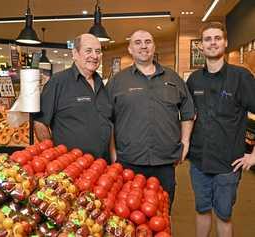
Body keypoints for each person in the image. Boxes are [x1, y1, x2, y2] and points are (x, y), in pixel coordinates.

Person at [107, 29, 195, 206]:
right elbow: (107, 119)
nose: (143, 46)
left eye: (148, 41)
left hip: (165, 163)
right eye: (137, 42)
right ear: (130, 49)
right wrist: (113, 153)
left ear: (154, 47)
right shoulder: (117, 81)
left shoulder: (173, 78)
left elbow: (188, 112)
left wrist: (185, 142)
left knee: (162, 213)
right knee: (129, 218)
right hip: (129, 162)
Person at [186, 22, 255, 237]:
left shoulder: (241, 77)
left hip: (228, 164)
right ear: (201, 46)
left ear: (225, 42)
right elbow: (188, 116)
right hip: (199, 161)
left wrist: (254, 155)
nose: (212, 42)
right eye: (208, 39)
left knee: (224, 215)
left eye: (217, 38)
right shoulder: (194, 79)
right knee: (202, 210)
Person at [34, 33, 112, 162]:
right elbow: (40, 123)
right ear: (75, 54)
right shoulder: (58, 82)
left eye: (98, 51)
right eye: (88, 50)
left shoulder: (102, 85)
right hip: (70, 167)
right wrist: (53, 155)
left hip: (102, 167)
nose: (94, 56)